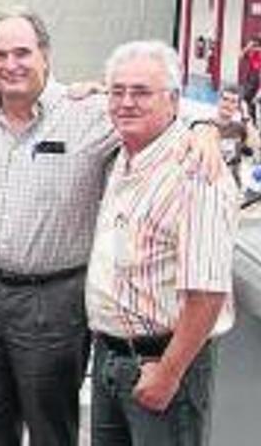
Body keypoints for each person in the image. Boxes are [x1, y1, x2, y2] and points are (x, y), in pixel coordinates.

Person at [0, 7, 222, 446]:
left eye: (22, 52)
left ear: (45, 54)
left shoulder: (92, 112)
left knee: (49, 425)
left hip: (52, 299)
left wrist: (205, 127)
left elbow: (161, 101)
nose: (10, 65)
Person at [87, 40, 237, 446]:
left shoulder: (196, 172)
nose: (126, 102)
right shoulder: (124, 156)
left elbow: (206, 293)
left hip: (163, 363)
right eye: (117, 91)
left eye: (141, 92)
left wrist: (169, 373)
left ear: (173, 100)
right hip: (110, 358)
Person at [241, 35, 261, 122]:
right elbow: (242, 55)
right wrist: (249, 47)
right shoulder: (253, 53)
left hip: (256, 82)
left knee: (250, 103)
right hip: (251, 81)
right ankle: (248, 120)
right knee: (247, 103)